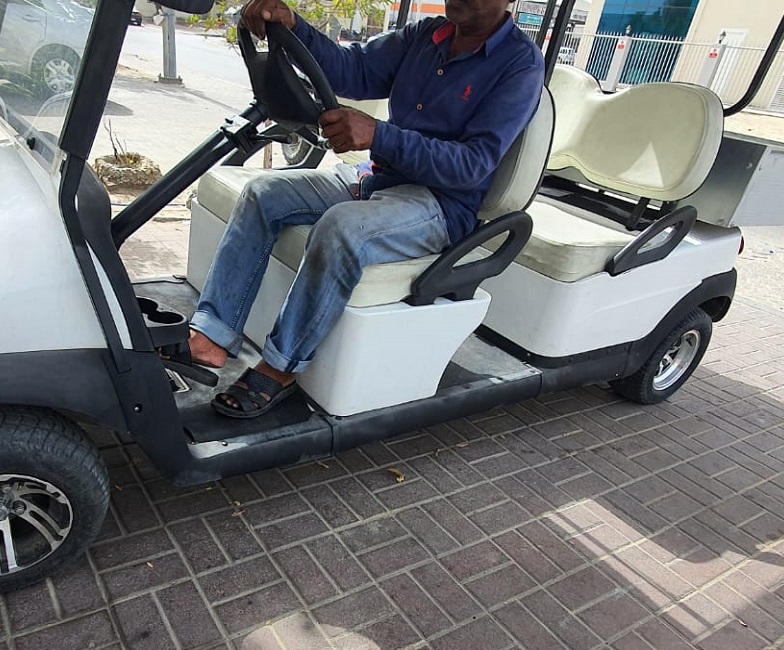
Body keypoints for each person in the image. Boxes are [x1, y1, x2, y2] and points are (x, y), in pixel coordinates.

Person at [183, 0, 544, 418]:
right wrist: (295, 26)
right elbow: (352, 70)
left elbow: (472, 165)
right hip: (377, 178)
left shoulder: (519, 64)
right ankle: (212, 335)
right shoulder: (426, 36)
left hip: (440, 203)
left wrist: (379, 135)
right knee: (264, 193)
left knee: (342, 228)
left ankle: (281, 367)